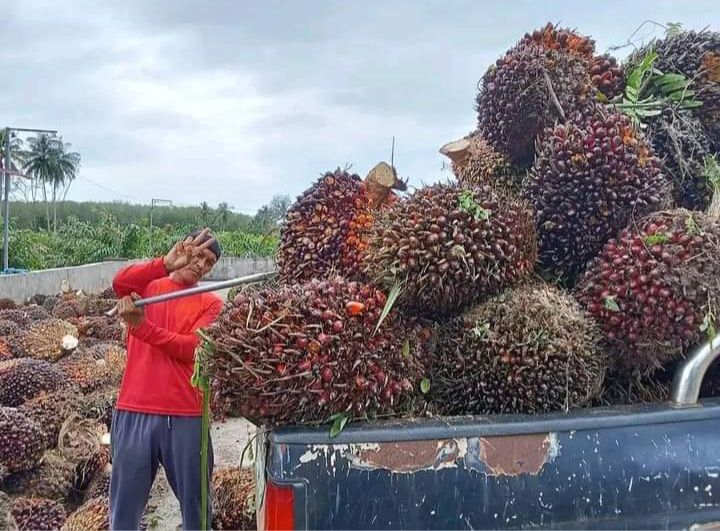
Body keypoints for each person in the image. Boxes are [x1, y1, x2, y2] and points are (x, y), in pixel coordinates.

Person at [109, 228, 223, 530]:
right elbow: (120, 282)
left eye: (209, 262)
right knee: (123, 509)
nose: (201, 263)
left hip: (186, 414)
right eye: (197, 254)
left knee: (196, 509)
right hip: (135, 409)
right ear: (182, 247)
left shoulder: (211, 303)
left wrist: (142, 327)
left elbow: (193, 349)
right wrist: (163, 264)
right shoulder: (148, 287)